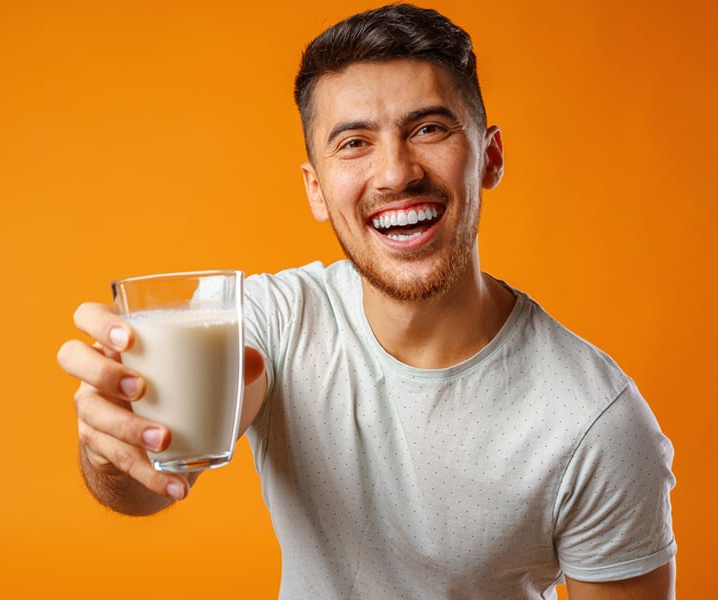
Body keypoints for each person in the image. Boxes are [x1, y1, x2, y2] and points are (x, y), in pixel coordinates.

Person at [58, 4, 677, 598]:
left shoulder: (597, 422)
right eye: (353, 143)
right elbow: (156, 475)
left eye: (428, 129)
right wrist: (117, 447)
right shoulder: (274, 321)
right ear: (318, 190)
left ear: (489, 158)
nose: (394, 173)